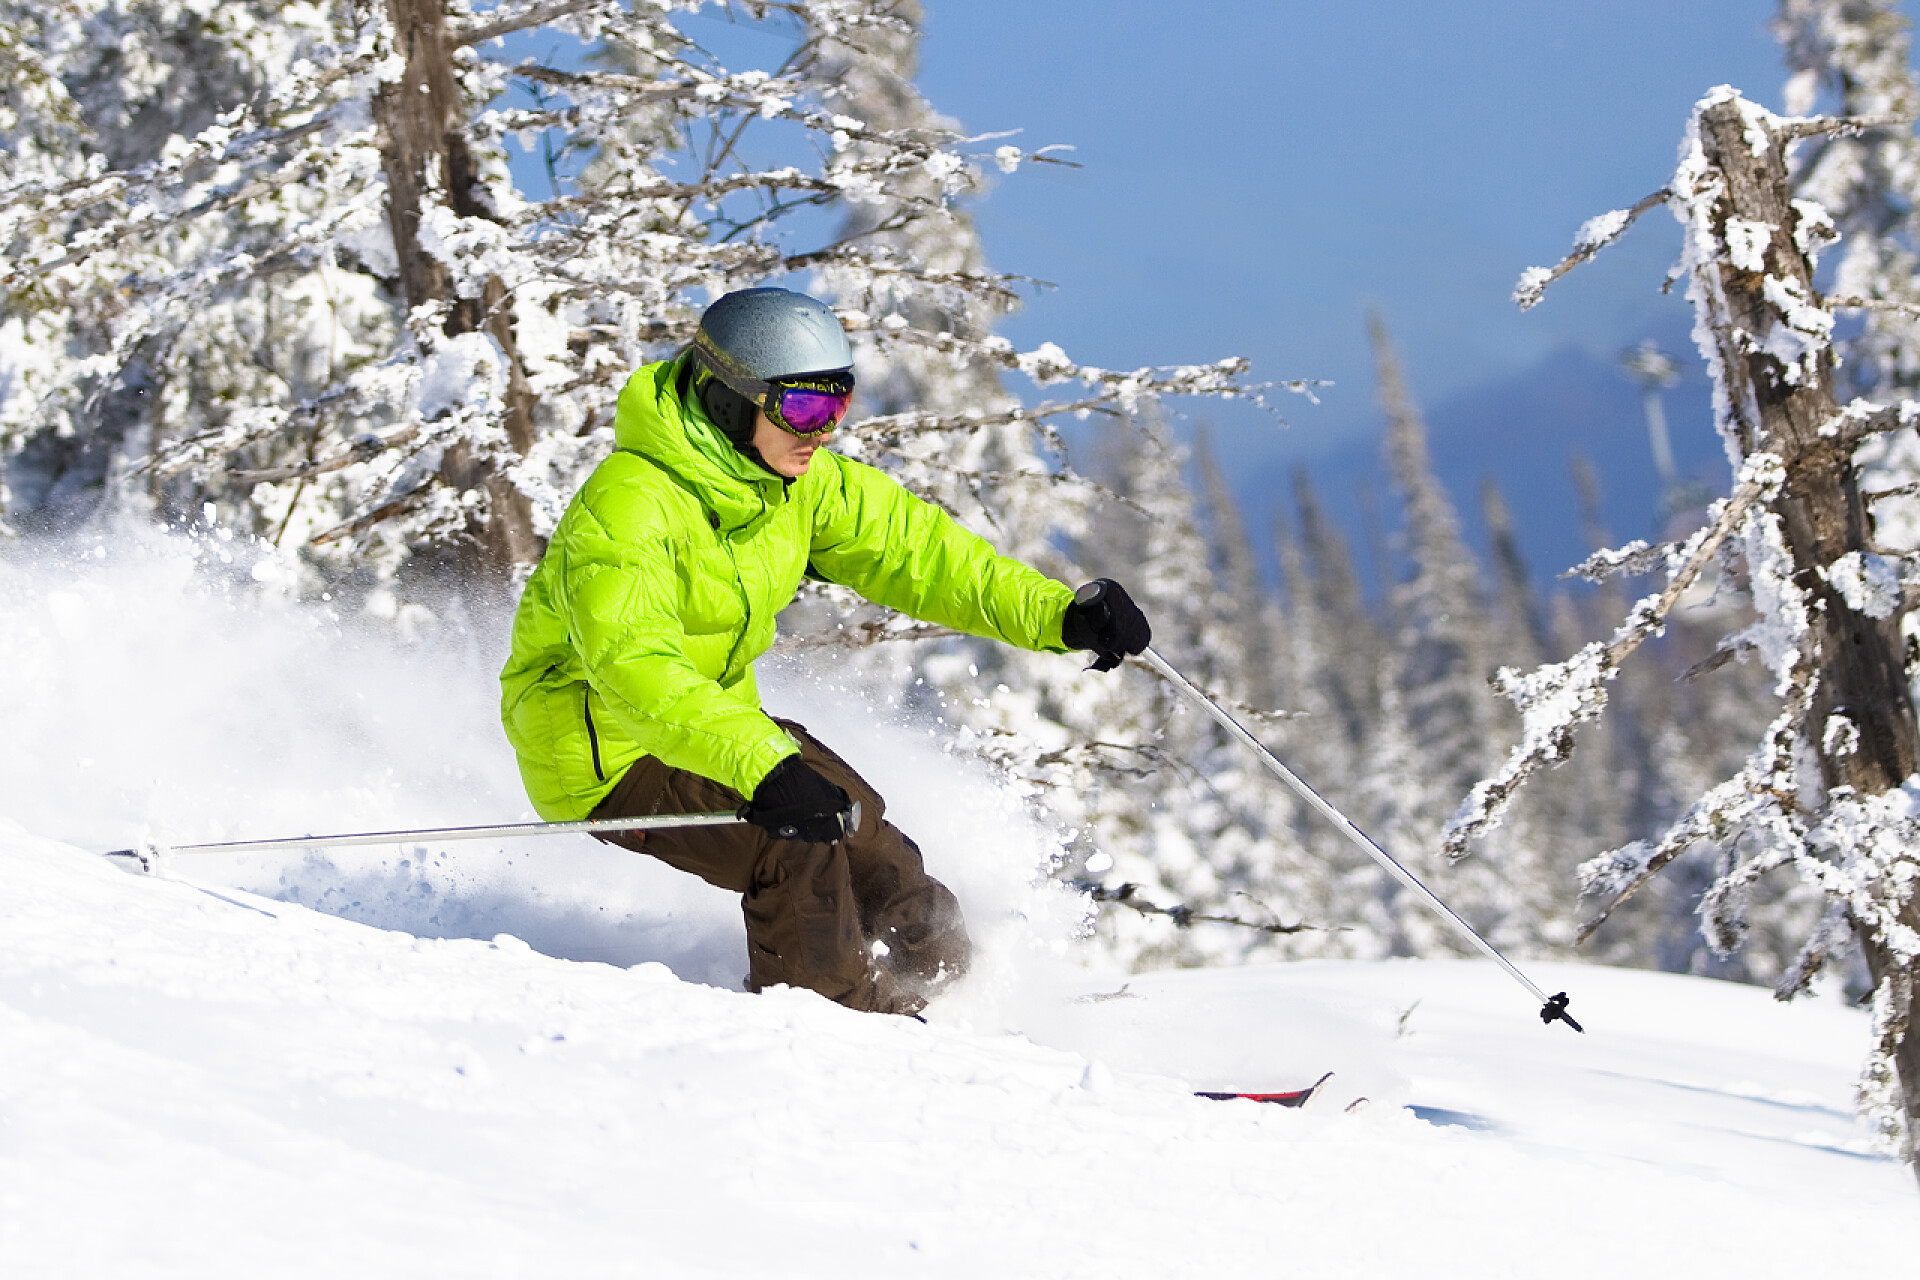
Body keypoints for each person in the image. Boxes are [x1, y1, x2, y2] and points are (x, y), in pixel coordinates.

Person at [499, 287, 1151, 1015]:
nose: (824, 433)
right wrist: (761, 765)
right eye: (804, 410)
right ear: (726, 400)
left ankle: (961, 998)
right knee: (794, 843)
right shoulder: (628, 512)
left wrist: (1059, 616)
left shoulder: (793, 483)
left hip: (704, 724)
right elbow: (635, 667)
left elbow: (920, 554)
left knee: (861, 826)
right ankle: (836, 1033)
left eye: (838, 407)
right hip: (605, 753)